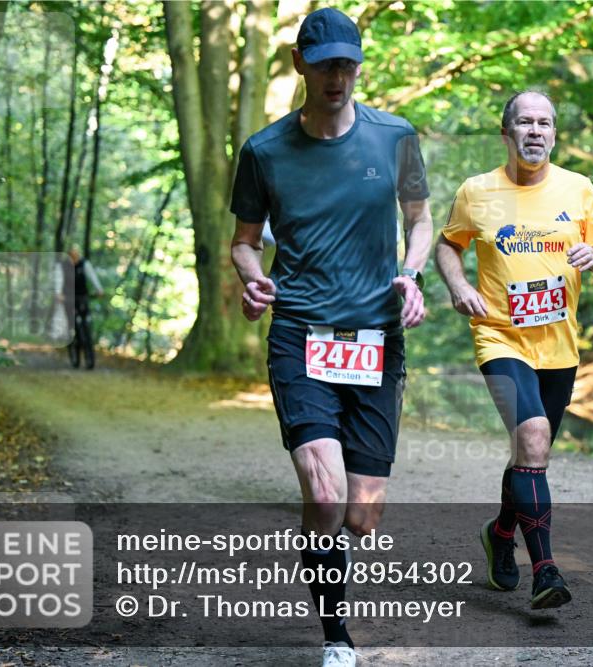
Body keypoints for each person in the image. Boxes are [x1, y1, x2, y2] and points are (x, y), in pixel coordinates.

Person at [228, 8, 431, 666]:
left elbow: (420, 220)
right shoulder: (264, 151)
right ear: (300, 65)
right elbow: (244, 243)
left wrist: (411, 274)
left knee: (361, 514)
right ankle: (336, 636)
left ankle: (329, 542)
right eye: (325, 66)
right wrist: (254, 279)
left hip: (377, 337)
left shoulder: (395, 137)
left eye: (347, 64)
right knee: (324, 493)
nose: (337, 77)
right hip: (300, 334)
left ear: (359, 65)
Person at [436, 91, 593, 609]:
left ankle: (499, 533)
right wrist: (458, 285)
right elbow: (448, 244)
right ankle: (545, 572)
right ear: (506, 132)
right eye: (524, 122)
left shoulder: (579, 188)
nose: (535, 130)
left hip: (559, 346)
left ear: (554, 134)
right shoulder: (477, 191)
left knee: (530, 453)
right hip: (499, 336)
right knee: (533, 436)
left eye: (544, 123)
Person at [58, 246, 104, 368]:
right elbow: (58, 280)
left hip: (82, 297)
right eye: (72, 256)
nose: (75, 258)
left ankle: (89, 356)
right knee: (72, 324)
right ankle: (73, 348)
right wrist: (58, 294)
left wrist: (99, 289)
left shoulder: (84, 264)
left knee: (86, 323)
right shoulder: (63, 266)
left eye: (76, 255)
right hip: (68, 298)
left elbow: (92, 277)